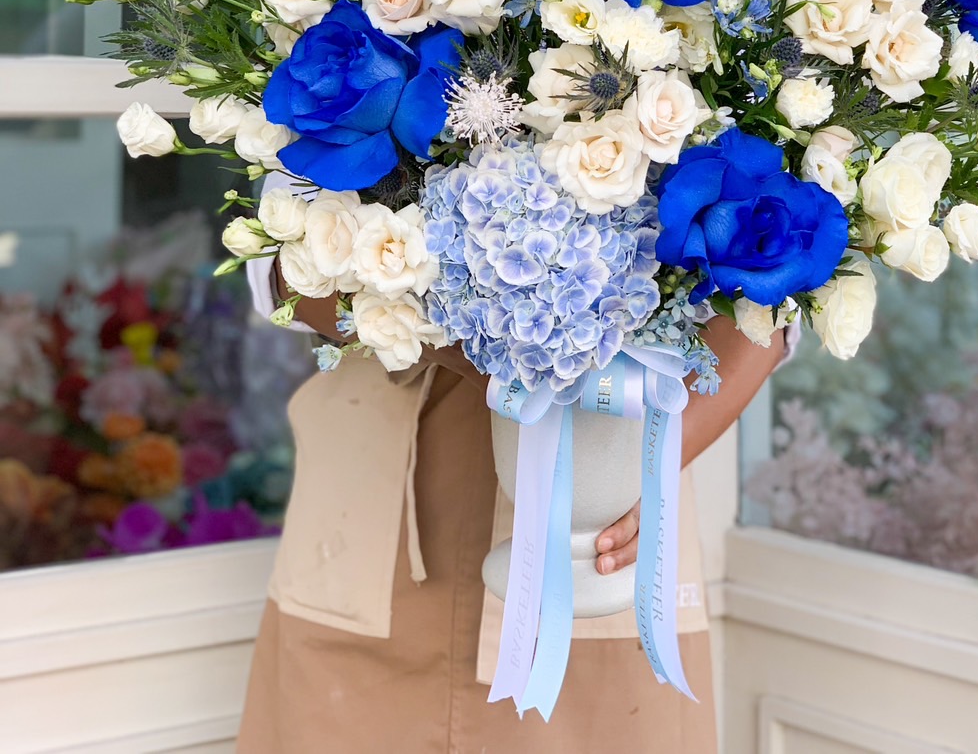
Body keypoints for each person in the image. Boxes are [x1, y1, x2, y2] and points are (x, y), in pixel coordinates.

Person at [236, 257, 794, 753]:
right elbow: (280, 265)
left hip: (604, 497)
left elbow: (779, 296)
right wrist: (476, 339)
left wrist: (652, 466)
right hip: (371, 500)